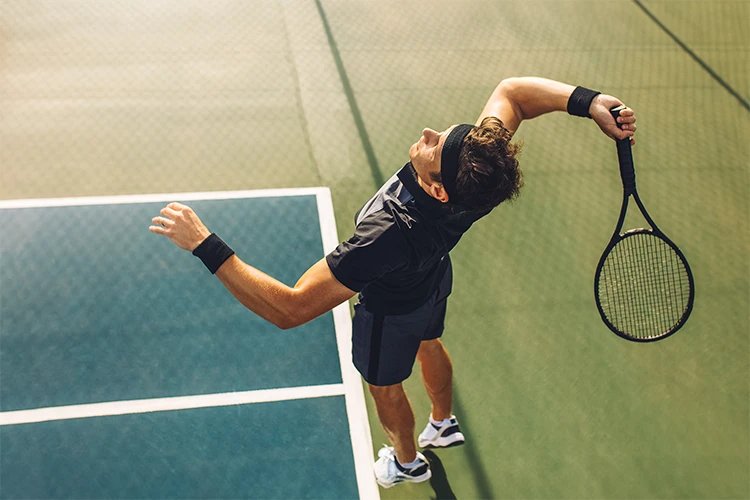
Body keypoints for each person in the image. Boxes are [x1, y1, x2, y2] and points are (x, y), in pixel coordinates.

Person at [149, 77, 637, 488]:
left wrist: (203, 243)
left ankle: (406, 461)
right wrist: (590, 102)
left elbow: (290, 309)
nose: (428, 133)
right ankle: (442, 425)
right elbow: (512, 93)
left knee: (385, 387)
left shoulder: (386, 237)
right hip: (433, 279)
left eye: (433, 146)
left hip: (389, 308)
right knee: (430, 340)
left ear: (437, 189)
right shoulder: (480, 171)